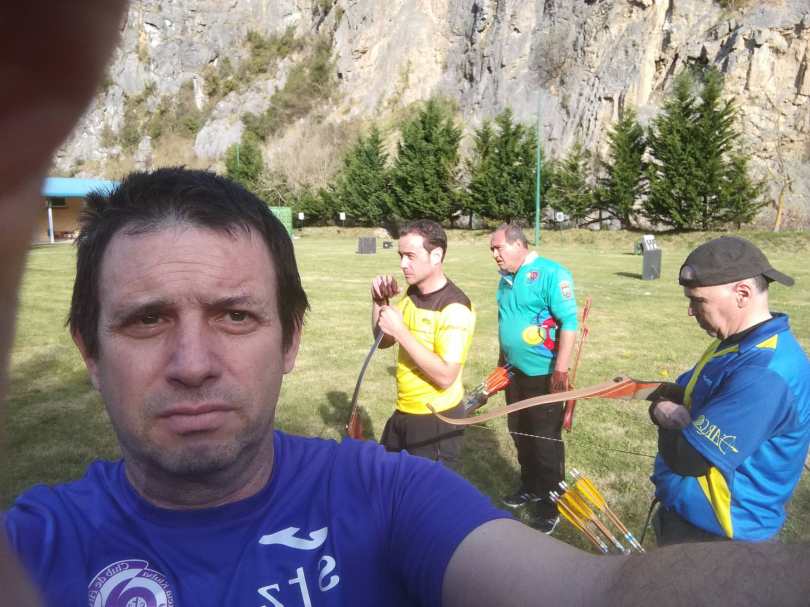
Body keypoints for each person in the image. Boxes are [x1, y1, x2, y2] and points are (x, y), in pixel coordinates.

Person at [4, 4, 810, 606]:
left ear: (290, 340)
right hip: (404, 416)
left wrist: (506, 361)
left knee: (538, 454)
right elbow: (393, 348)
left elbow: (596, 591)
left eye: (235, 314)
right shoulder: (37, 539)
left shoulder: (386, 493)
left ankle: (540, 491)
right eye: (146, 318)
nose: (191, 362)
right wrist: (383, 324)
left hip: (439, 425)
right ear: (88, 348)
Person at [649, 236, 810, 545]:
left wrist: (661, 413)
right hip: (694, 520)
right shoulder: (738, 343)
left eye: (698, 300)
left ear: (742, 294)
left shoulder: (765, 373)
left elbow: (688, 458)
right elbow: (683, 390)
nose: (690, 311)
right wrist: (664, 401)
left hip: (718, 536)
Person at [489, 223, 578, 533]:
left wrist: (561, 371)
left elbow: (569, 322)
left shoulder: (552, 273)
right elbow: (504, 321)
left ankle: (551, 504)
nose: (494, 254)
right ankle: (530, 486)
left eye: (498, 247)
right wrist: (501, 362)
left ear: (518, 244)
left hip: (544, 375)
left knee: (545, 441)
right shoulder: (505, 278)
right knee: (519, 431)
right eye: (492, 249)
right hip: (514, 372)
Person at [370, 220, 475, 466]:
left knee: (422, 489)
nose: (402, 264)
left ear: (436, 255)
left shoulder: (455, 307)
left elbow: (446, 376)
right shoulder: (412, 294)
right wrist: (379, 302)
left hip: (435, 420)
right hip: (404, 411)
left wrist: (401, 332)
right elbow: (383, 340)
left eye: (410, 256)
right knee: (385, 477)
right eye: (401, 256)